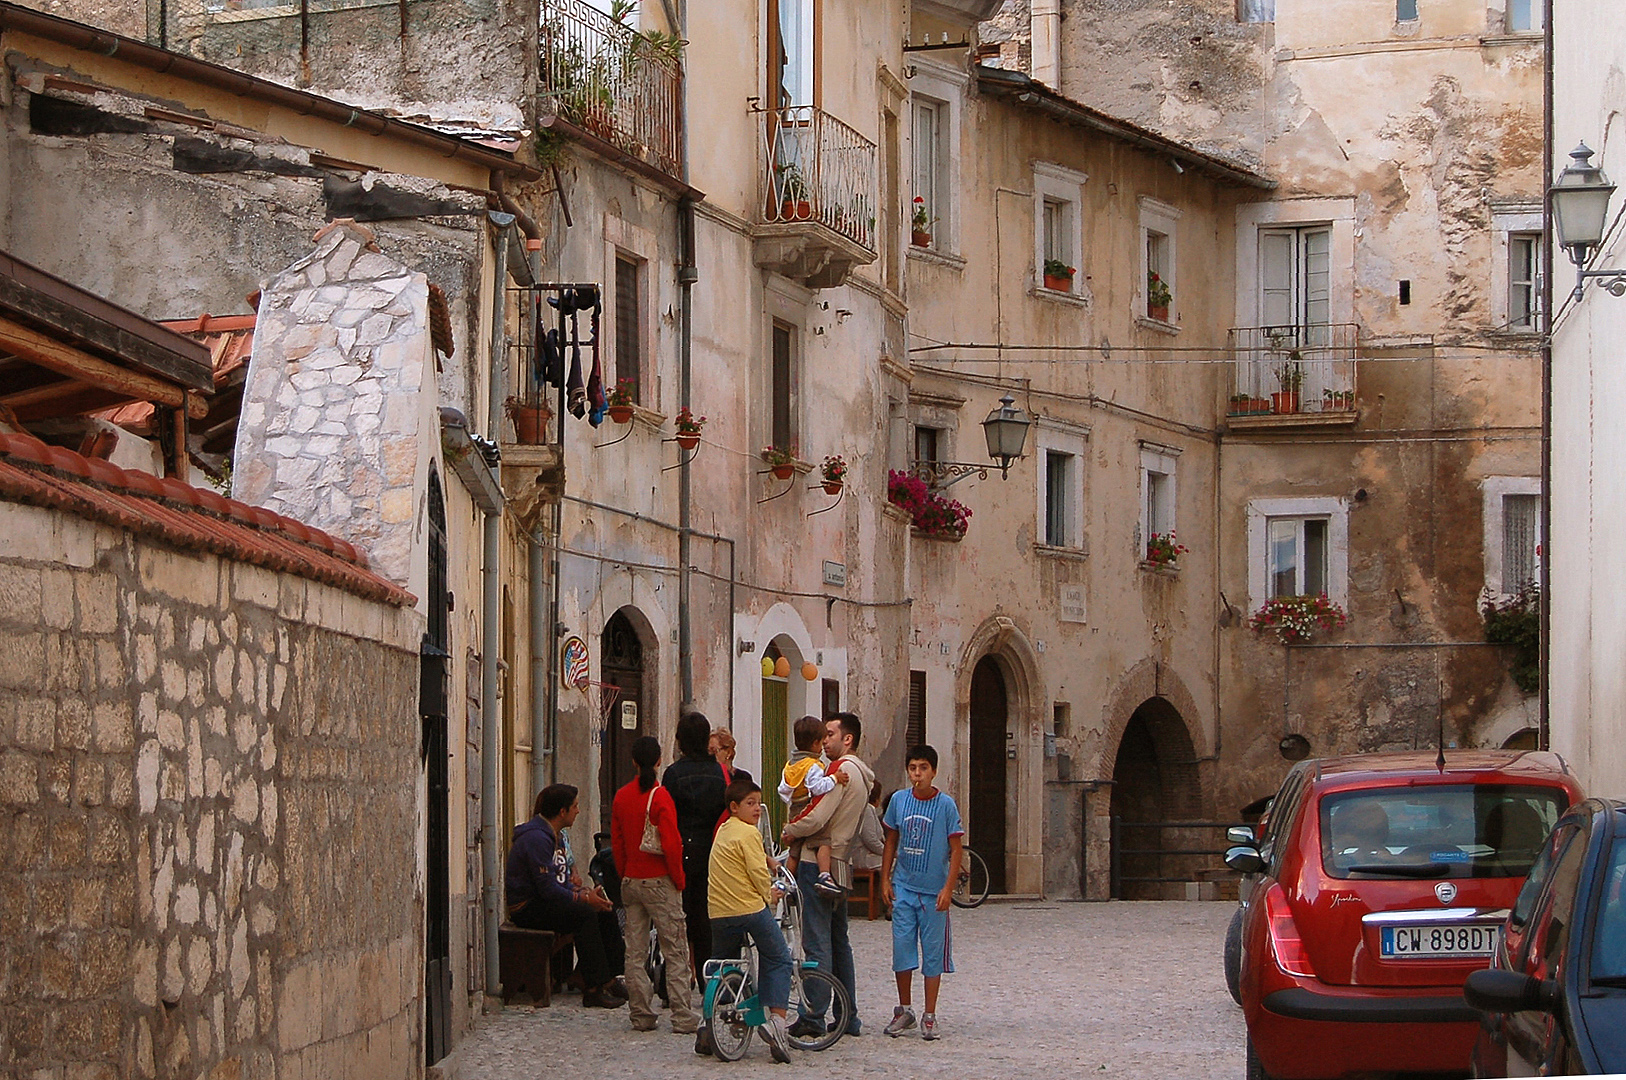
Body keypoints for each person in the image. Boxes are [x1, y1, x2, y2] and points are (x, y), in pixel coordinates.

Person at [781, 712, 873, 1038]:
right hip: (841, 864)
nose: (825, 740)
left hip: (815, 863)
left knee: (816, 942)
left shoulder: (840, 771)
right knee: (839, 942)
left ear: (847, 739)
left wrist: (791, 830)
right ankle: (848, 1015)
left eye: (830, 734)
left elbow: (817, 816)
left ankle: (814, 1016)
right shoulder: (863, 775)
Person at [505, 784, 625, 1008]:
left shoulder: (553, 836)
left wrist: (583, 893)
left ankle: (609, 976)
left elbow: (559, 881)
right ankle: (593, 988)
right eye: (575, 807)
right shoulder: (537, 839)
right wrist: (582, 899)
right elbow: (547, 888)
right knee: (585, 914)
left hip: (543, 900)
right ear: (562, 812)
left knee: (604, 910)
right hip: (527, 907)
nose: (578, 811)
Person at [702, 778, 795, 1063]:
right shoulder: (750, 833)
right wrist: (771, 894)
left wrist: (767, 858)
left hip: (719, 911)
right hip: (748, 909)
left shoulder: (724, 830)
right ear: (734, 807)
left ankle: (706, 1029)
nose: (756, 809)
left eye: (758, 803)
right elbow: (756, 873)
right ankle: (777, 1025)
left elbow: (738, 858)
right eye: (750, 804)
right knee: (778, 957)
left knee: (722, 964)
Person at [610, 735, 698, 1034]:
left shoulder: (622, 796)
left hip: (632, 879)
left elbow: (618, 843)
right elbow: (672, 843)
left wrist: (625, 872)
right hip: (660, 879)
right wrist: (679, 878)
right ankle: (683, 1015)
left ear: (633, 762)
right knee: (674, 948)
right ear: (659, 761)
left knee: (634, 952)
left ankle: (641, 1013)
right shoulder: (660, 797)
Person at [880, 744, 964, 1041]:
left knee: (932, 954)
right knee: (902, 949)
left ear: (934, 771)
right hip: (904, 887)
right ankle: (905, 1009)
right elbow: (891, 840)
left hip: (933, 893)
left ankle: (930, 1014)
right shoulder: (899, 801)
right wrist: (885, 879)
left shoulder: (946, 806)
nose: (918, 774)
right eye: (913, 768)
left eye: (923, 768)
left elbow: (956, 850)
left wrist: (948, 889)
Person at [663, 711, 729, 975]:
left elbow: (666, 815)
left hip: (680, 849)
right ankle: (707, 977)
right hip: (711, 850)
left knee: (678, 917)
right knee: (704, 917)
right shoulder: (719, 773)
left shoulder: (673, 774)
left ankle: (676, 977)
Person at [776, 714, 849, 895]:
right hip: (807, 807)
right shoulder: (812, 765)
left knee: (794, 850)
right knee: (823, 841)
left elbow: (783, 789)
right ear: (816, 743)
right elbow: (817, 787)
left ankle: (788, 882)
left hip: (794, 807)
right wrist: (834, 778)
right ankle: (825, 875)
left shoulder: (791, 764)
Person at [850, 782, 886, 873]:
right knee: (897, 864)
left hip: (868, 855)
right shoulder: (866, 810)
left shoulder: (867, 809)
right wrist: (888, 852)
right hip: (863, 857)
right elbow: (870, 840)